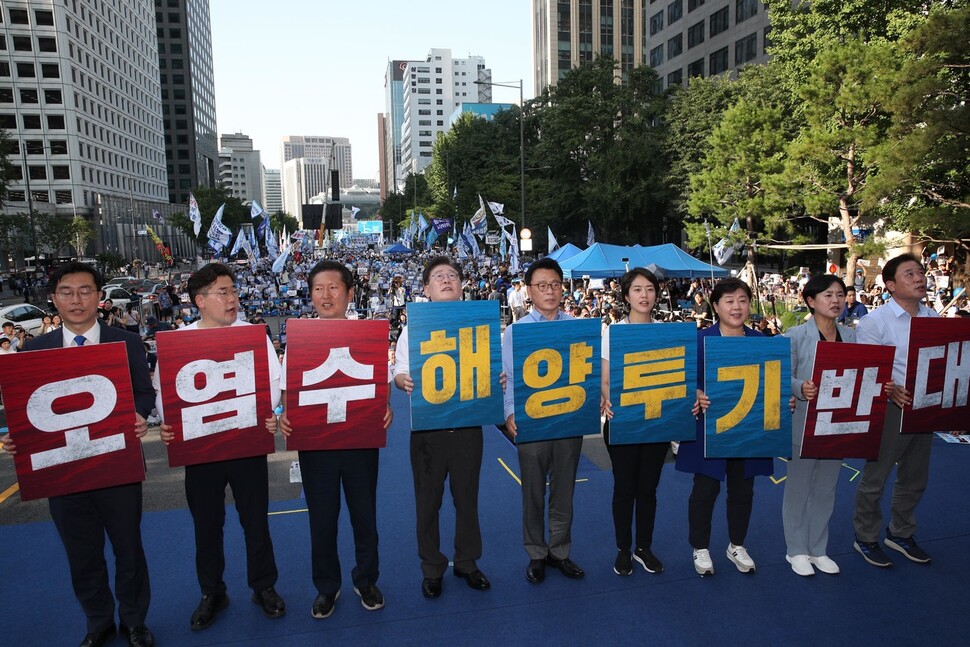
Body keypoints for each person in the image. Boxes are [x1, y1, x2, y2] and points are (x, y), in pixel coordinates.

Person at [1, 262, 155, 647]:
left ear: (99, 297)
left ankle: (135, 621)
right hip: (63, 472)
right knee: (82, 555)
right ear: (53, 298)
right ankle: (98, 622)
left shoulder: (128, 342)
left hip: (116, 464)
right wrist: (17, 437)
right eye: (67, 292)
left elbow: (144, 393)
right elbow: (27, 410)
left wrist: (138, 416)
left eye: (85, 290)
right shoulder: (34, 348)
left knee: (128, 549)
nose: (76, 299)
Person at [156, 263, 286, 630]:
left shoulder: (253, 335)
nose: (231, 299)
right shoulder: (179, 339)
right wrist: (168, 424)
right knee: (207, 527)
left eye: (233, 291)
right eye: (222, 293)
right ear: (199, 301)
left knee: (256, 522)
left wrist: (271, 412)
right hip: (200, 449)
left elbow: (272, 383)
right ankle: (212, 592)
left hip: (247, 444)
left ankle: (264, 586)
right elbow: (164, 393)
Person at [268, 260, 392, 619]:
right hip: (316, 446)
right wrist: (286, 416)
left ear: (350, 293)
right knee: (321, 519)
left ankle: (366, 579)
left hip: (359, 442)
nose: (326, 295)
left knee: (364, 516)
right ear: (310, 295)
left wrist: (386, 409)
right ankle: (327, 586)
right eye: (318, 289)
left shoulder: (368, 333)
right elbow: (289, 391)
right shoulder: (301, 338)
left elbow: (380, 385)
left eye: (333, 287)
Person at [393, 256, 492, 599]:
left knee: (467, 499)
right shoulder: (413, 327)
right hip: (428, 429)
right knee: (428, 501)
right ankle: (432, 567)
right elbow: (400, 371)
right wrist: (402, 380)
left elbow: (489, 371)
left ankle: (467, 562)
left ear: (462, 284)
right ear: (426, 288)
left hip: (467, 426)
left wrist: (498, 378)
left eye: (452, 275)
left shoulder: (478, 321)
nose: (447, 280)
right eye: (439, 277)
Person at [675, 277, 772, 576]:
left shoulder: (762, 343)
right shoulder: (698, 340)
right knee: (704, 490)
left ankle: (736, 545)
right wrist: (694, 392)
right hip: (708, 429)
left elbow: (772, 385)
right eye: (729, 300)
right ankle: (700, 547)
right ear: (715, 306)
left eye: (742, 300)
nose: (737, 306)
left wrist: (781, 401)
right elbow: (681, 380)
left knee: (743, 491)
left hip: (748, 430)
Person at [502, 257, 586, 584]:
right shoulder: (516, 332)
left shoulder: (577, 327)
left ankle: (560, 551)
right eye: (541, 285)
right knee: (533, 492)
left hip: (569, 419)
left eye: (554, 284)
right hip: (531, 420)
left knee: (564, 491)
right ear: (529, 291)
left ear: (562, 288)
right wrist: (510, 412)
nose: (549, 291)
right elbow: (507, 377)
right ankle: (536, 553)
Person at [852, 253, 938, 567]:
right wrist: (889, 386)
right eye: (909, 274)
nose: (919, 278)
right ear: (890, 285)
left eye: (920, 272)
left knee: (915, 477)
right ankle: (866, 537)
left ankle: (900, 531)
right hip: (890, 409)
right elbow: (868, 369)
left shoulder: (933, 318)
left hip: (927, 408)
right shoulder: (876, 321)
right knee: (876, 477)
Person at [782, 275, 856, 577]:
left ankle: (818, 548)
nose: (836, 300)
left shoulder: (851, 336)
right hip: (804, 420)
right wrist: (801, 387)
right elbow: (781, 374)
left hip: (837, 423)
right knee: (799, 487)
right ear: (811, 301)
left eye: (840, 294)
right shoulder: (795, 334)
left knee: (827, 488)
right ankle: (796, 550)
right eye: (828, 295)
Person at [600, 268, 670, 577]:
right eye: (638, 289)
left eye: (650, 289)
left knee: (648, 489)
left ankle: (644, 547)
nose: (645, 295)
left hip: (656, 422)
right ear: (626, 295)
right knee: (624, 487)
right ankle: (623, 549)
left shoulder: (668, 332)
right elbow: (603, 379)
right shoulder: (613, 332)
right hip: (622, 421)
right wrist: (607, 398)